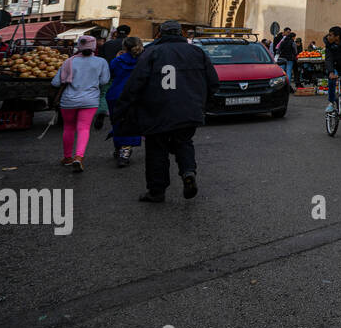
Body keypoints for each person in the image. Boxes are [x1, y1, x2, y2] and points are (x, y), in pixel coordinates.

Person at [112, 20, 218, 203]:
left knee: (156, 149)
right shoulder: (197, 52)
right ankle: (188, 172)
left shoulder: (151, 52)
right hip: (188, 109)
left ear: (160, 33)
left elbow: (135, 84)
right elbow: (213, 83)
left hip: (156, 110)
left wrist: (121, 109)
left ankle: (157, 190)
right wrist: (201, 103)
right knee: (184, 142)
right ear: (180, 33)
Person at [49, 35, 110, 173]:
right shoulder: (101, 62)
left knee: (69, 128)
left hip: (69, 101)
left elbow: (56, 83)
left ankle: (67, 157)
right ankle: (79, 157)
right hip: (90, 100)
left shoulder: (69, 61)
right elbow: (104, 81)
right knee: (84, 128)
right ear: (94, 47)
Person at [104, 36, 143, 167]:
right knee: (132, 123)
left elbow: (111, 74)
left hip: (116, 94)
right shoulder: (143, 61)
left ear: (124, 47)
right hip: (135, 95)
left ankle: (119, 147)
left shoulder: (117, 61)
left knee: (117, 121)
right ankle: (125, 150)